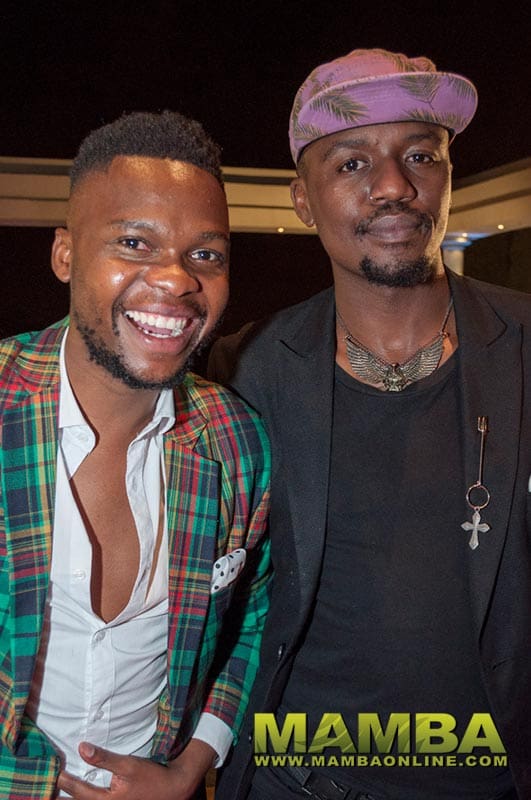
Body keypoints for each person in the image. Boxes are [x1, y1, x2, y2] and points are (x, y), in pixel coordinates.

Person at [209, 49, 531, 799]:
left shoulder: (524, 347)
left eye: (420, 155)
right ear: (302, 199)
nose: (393, 185)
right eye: (352, 163)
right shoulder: (240, 372)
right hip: (294, 776)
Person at [0, 110, 271, 800]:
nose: (176, 279)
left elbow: (250, 615)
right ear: (65, 255)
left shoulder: (236, 440)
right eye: (134, 242)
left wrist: (192, 764)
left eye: (205, 255)